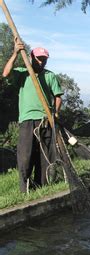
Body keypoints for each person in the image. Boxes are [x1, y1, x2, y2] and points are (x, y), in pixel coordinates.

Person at [2, 38, 63, 193]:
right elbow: (5, 73)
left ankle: (41, 186)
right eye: (39, 59)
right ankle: (25, 189)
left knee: (44, 157)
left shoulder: (50, 76)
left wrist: (55, 112)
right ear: (31, 57)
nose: (42, 62)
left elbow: (58, 96)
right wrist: (15, 52)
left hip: (45, 120)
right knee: (25, 156)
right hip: (27, 121)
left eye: (44, 60)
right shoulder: (22, 74)